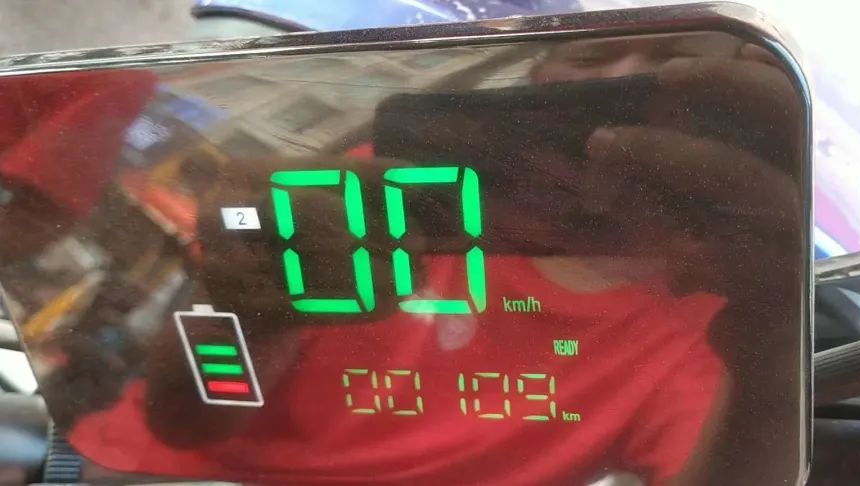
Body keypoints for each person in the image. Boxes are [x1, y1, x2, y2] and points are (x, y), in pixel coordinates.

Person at [62, 31, 804, 485]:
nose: (617, 80)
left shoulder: (718, 331)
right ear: (538, 83)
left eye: (670, 67)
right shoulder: (369, 193)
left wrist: (774, 334)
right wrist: (247, 309)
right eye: (591, 53)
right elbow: (189, 424)